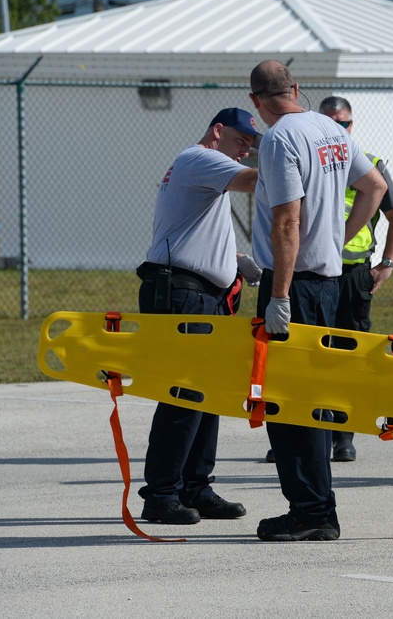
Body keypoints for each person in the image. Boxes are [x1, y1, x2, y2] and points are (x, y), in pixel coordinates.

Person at [249, 60, 387, 541]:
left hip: (296, 285)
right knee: (314, 398)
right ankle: (315, 506)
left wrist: (280, 295)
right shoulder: (330, 128)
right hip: (327, 283)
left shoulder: (280, 138)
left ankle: (311, 510)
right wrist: (335, 239)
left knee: (289, 404)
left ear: (256, 101)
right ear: (297, 89)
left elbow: (287, 221)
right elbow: (375, 189)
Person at [135, 107, 264, 524]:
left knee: (208, 396)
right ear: (218, 131)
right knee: (185, 393)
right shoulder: (201, 158)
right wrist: (300, 163)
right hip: (183, 293)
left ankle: (195, 486)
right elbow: (255, 181)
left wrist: (234, 259)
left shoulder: (203, 168)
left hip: (197, 293)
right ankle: (161, 494)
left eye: (250, 146)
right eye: (242, 142)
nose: (245, 152)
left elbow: (193, 233)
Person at [263, 96, 393, 464]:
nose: (337, 130)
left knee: (345, 356)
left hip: (352, 272)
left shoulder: (365, 161)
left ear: (351, 127)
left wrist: (386, 262)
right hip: (316, 270)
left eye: (343, 125)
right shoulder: (318, 154)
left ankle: (343, 434)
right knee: (310, 361)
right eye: (331, 123)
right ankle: (307, 433)